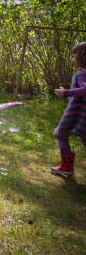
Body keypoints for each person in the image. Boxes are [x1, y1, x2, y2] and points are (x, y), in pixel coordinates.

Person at [52, 42, 86, 177]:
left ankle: (66, 168)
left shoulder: (81, 74)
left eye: (73, 55)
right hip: (81, 114)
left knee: (61, 133)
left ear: (82, 57)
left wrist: (66, 92)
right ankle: (66, 167)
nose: (72, 58)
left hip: (76, 113)